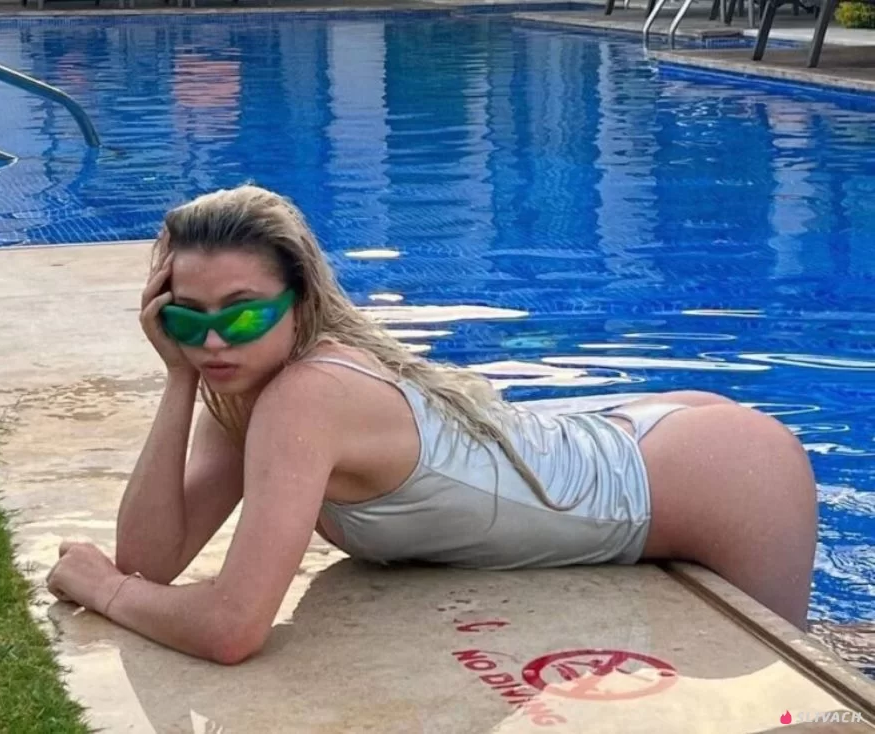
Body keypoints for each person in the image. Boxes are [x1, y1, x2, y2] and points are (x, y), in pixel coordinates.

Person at [46, 184, 819, 665]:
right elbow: (153, 561)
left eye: (242, 314)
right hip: (632, 438)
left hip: (716, 478)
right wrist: (179, 377)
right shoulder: (238, 386)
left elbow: (229, 628)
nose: (215, 340)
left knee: (811, 693)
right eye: (188, 317)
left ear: (300, 303)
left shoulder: (308, 395)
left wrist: (106, 591)